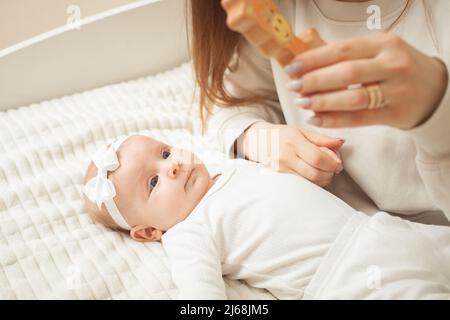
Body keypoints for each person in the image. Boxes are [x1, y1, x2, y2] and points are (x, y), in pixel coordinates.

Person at [82, 134, 450, 299]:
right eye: (152, 182)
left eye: (164, 153)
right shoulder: (187, 233)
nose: (173, 166)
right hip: (348, 279)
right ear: (148, 231)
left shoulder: (225, 166)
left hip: (380, 230)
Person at [188, 0, 450, 224]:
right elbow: (234, 106)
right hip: (344, 234)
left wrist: (437, 113)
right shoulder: (276, 10)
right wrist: (265, 140)